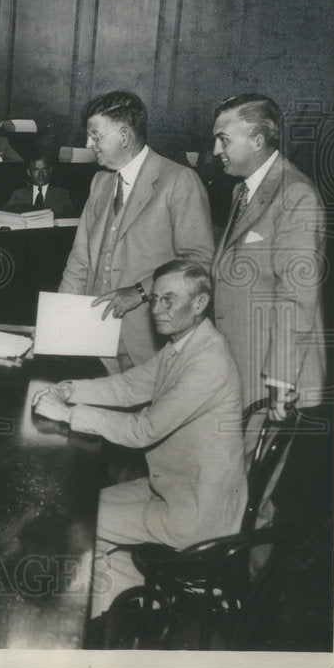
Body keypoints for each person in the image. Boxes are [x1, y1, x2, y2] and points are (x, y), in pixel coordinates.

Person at [30, 259, 246, 621]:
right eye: (155, 299)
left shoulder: (208, 360)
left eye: (169, 300)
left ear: (199, 303)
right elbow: (130, 385)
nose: (158, 310)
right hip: (178, 488)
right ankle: (123, 596)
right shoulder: (185, 344)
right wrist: (69, 389)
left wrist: (67, 414)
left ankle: (94, 620)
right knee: (82, 501)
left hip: (195, 513)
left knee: (76, 520)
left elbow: (143, 429)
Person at [58, 90, 214, 371]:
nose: (88, 144)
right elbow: (80, 259)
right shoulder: (100, 183)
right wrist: (63, 322)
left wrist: (141, 292)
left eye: (95, 136)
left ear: (124, 136)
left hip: (148, 344)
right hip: (93, 340)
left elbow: (199, 262)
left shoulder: (179, 180)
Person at [210, 94, 325, 432]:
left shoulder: (295, 194)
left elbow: (297, 296)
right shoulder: (242, 191)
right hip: (243, 365)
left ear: (257, 141)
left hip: (273, 379)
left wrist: (280, 380)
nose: (216, 150)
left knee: (258, 481)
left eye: (224, 140)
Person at [7, 151, 75, 217]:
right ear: (29, 172)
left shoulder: (62, 195)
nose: (41, 175)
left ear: (50, 170)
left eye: (44, 169)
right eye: (36, 170)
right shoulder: (18, 196)